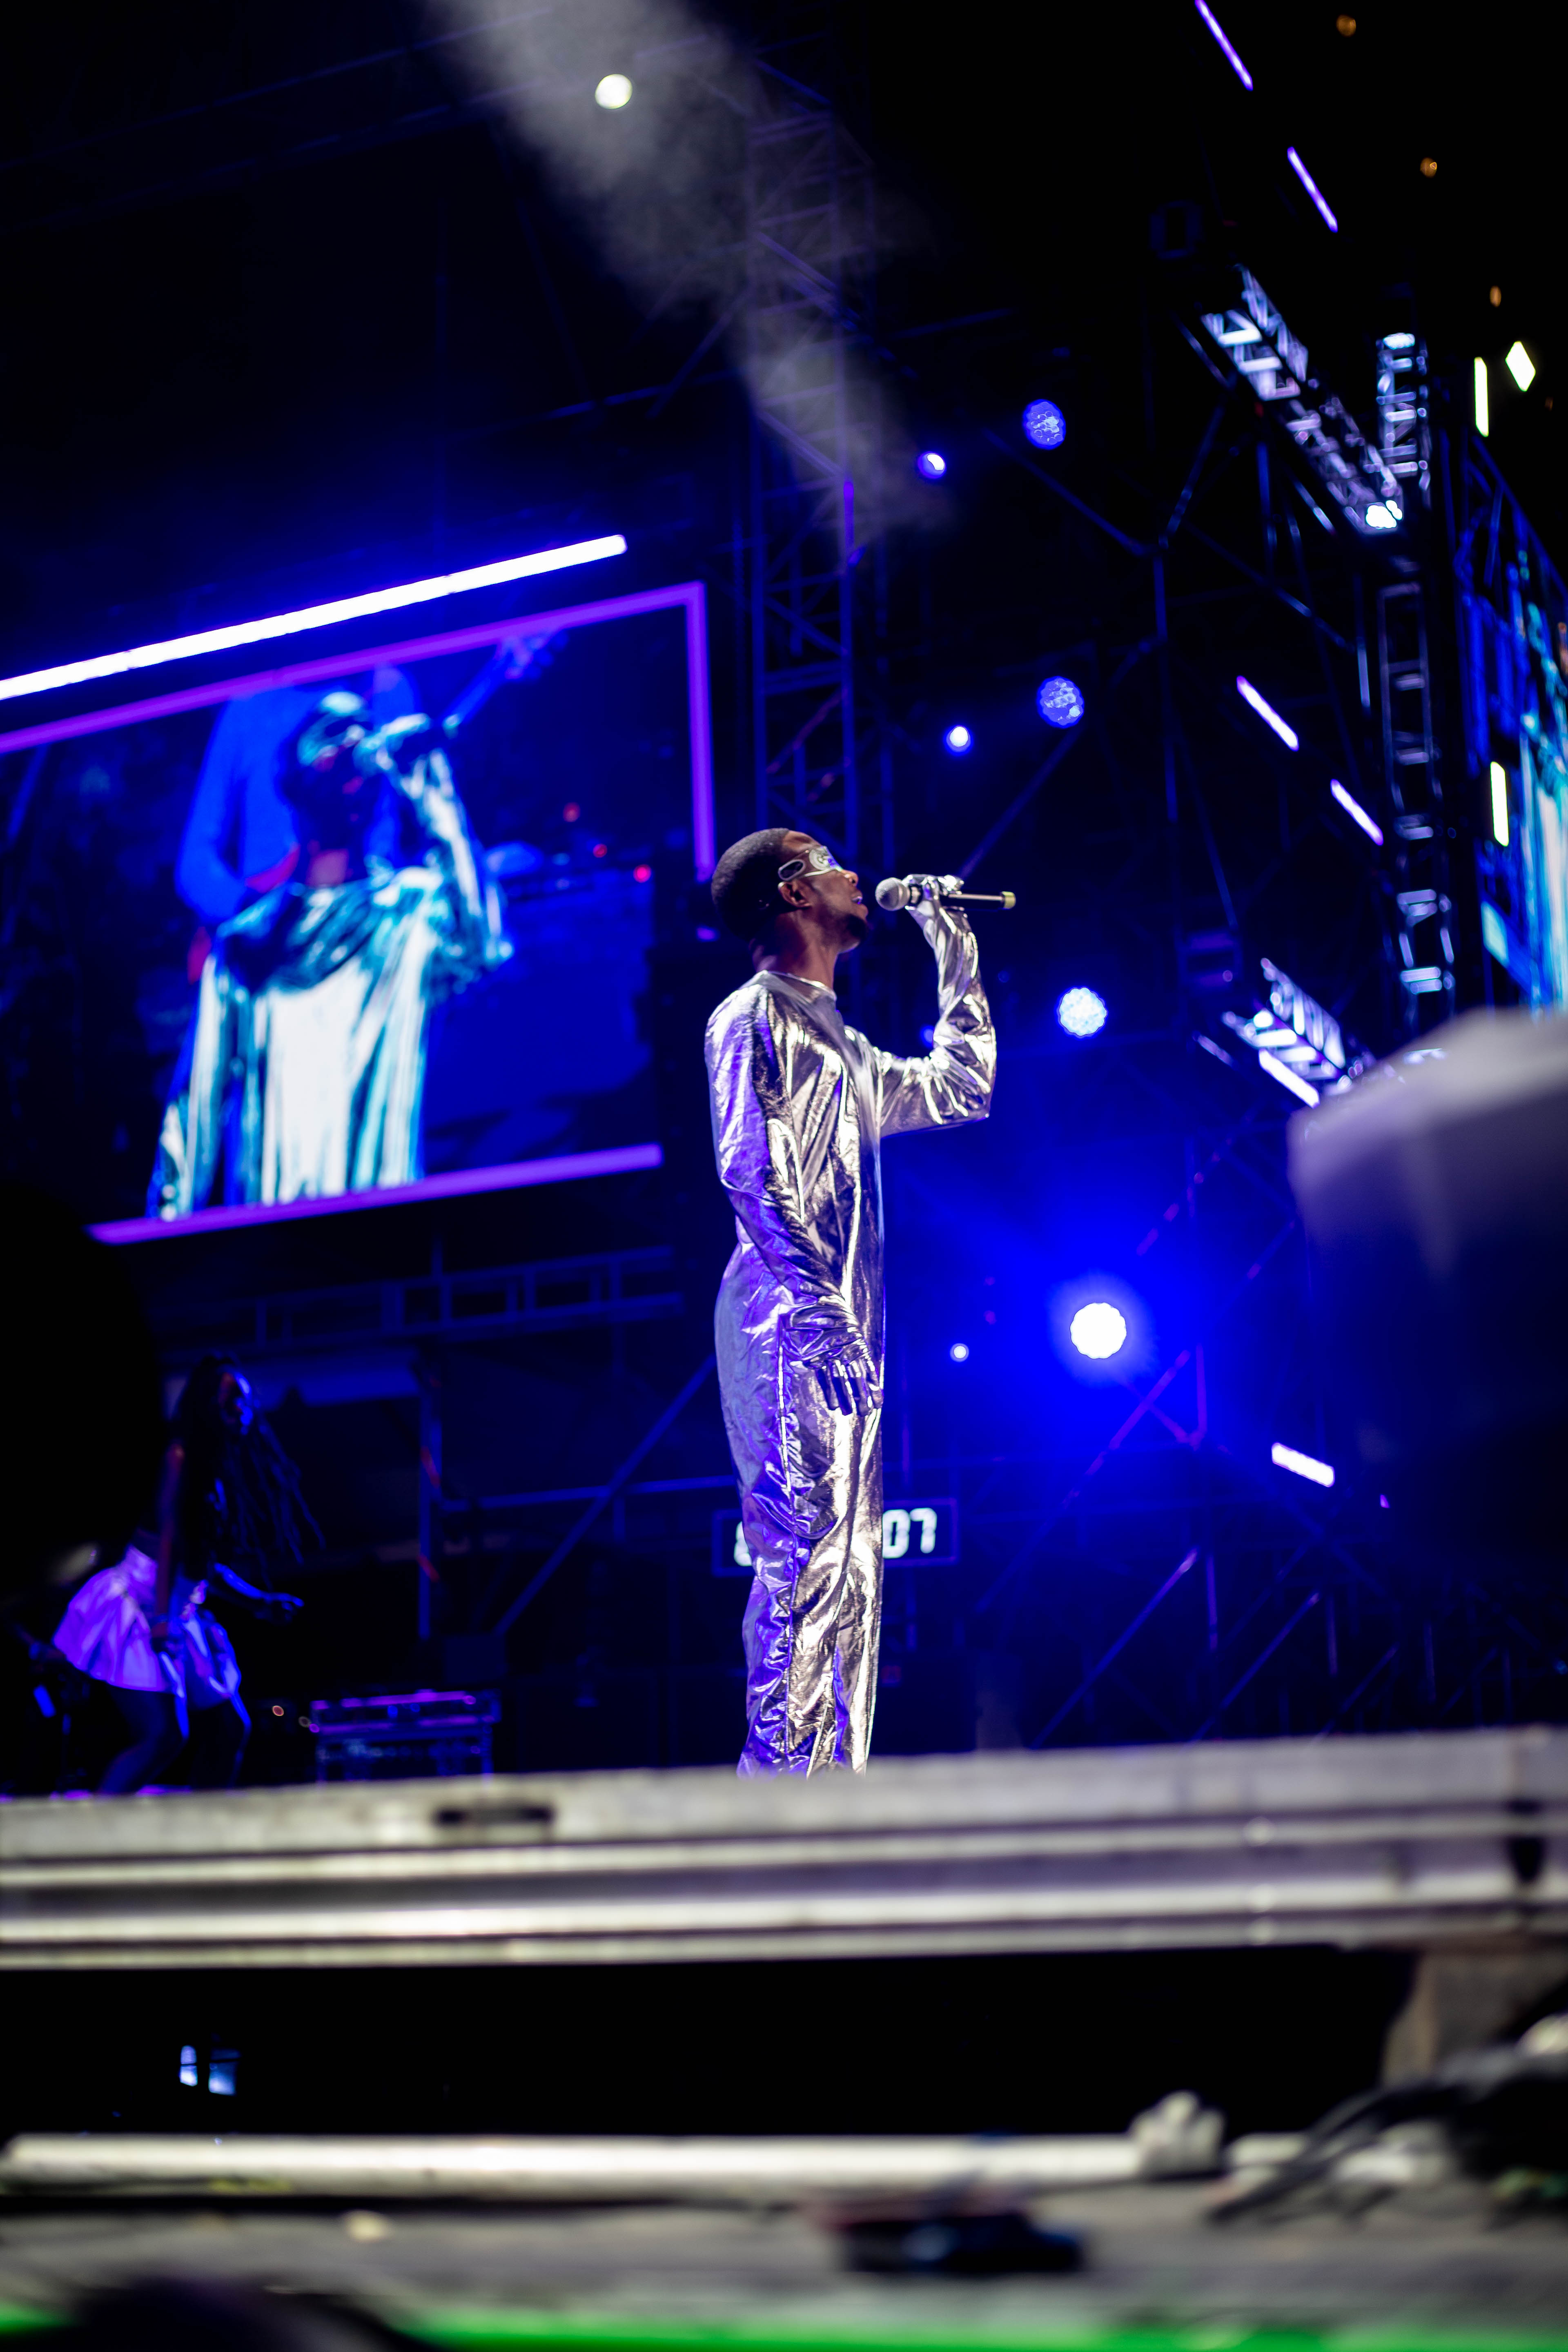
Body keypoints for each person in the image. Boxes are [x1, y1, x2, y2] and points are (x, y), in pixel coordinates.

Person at [704, 831, 996, 1774]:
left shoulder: (844, 1043)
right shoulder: (751, 1014)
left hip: (838, 1325)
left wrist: (954, 946)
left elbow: (961, 1089)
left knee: (855, 1569)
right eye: (830, 861)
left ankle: (834, 1791)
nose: (856, 875)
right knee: (806, 1562)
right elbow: (749, 1167)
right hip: (788, 1317)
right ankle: (779, 1811)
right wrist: (818, 1306)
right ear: (794, 892)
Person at [149, 692, 509, 1217]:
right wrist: (164, 1242)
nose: (352, 744)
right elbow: (194, 1114)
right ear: (291, 781)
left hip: (386, 1240)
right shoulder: (247, 945)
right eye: (331, 736)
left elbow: (485, 945)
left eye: (361, 731)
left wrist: (437, 799)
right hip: (268, 1246)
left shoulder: (411, 911)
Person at [53, 1355, 310, 1793]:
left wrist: (260, 1602)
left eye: (247, 1402)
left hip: (175, 1604)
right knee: (163, 1736)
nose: (244, 1410)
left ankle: (204, 1826)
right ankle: (95, 1827)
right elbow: (170, 1540)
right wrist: (162, 1618)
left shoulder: (211, 1472)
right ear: (207, 1404)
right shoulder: (179, 1457)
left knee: (229, 1728)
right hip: (140, 1602)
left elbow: (200, 1563)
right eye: (233, 1400)